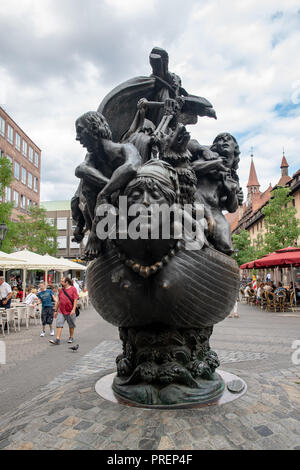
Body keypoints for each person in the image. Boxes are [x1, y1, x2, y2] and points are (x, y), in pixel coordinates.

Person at [50, 277, 78, 345]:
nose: (61, 282)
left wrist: (73, 309)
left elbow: (75, 299)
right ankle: (57, 339)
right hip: (61, 311)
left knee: (71, 325)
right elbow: (59, 301)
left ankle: (71, 337)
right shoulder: (61, 290)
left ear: (67, 282)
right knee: (59, 323)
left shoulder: (73, 289)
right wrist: (55, 310)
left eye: (62, 281)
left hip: (70, 310)